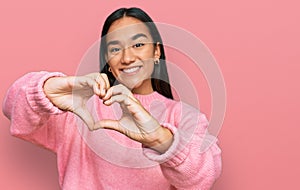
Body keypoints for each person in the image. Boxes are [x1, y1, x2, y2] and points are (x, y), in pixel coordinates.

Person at [2, 7, 222, 190]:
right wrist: (52, 87)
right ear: (107, 59)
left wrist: (158, 139)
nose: (127, 58)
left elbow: (202, 179)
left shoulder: (186, 118)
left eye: (138, 45)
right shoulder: (79, 109)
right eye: (115, 48)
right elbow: (13, 107)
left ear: (156, 52)